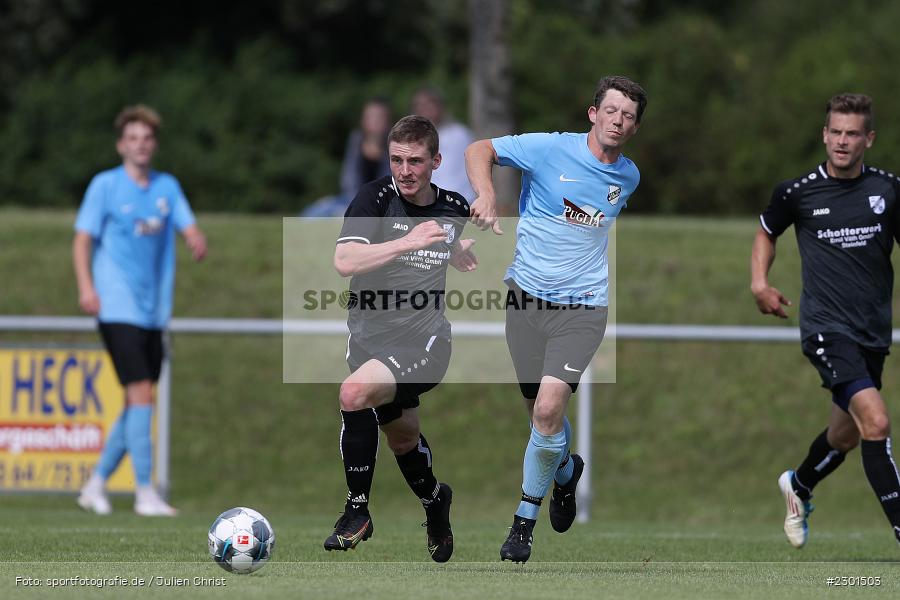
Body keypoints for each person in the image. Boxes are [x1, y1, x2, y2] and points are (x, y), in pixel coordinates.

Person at [465, 75, 647, 562]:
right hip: (524, 302)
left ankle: (522, 523)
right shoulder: (547, 149)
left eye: (628, 116)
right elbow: (479, 148)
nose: (618, 120)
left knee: (548, 412)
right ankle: (565, 473)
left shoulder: (627, 177)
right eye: (611, 110)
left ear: (633, 128)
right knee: (540, 419)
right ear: (593, 114)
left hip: (583, 308)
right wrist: (484, 195)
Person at [324, 115, 476, 562]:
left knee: (353, 394)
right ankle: (435, 501)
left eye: (415, 161)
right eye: (396, 160)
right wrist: (409, 242)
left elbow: (448, 235)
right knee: (403, 440)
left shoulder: (453, 206)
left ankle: (357, 512)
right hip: (369, 341)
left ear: (436, 161)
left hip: (424, 345)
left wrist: (457, 248)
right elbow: (345, 260)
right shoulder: (373, 199)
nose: (404, 170)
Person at [751, 93, 900, 549]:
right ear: (824, 134)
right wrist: (760, 283)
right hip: (825, 329)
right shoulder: (797, 193)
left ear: (868, 139)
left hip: (872, 332)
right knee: (876, 422)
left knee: (846, 435)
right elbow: (766, 231)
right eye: (835, 132)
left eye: (852, 134)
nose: (842, 141)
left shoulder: (888, 190)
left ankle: (798, 486)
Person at [73, 104, 207, 517]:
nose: (141, 145)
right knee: (141, 393)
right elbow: (82, 240)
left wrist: (194, 237)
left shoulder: (166, 187)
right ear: (121, 145)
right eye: (133, 138)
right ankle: (145, 491)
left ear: (155, 145)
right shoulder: (105, 186)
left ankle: (95, 485)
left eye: (147, 138)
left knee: (138, 401)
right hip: (115, 304)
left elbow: (188, 225)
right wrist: (87, 287)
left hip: (153, 310)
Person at [301, 98, 393, 217]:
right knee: (316, 211)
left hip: (381, 204)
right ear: (363, 120)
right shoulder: (355, 141)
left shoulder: (394, 147)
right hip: (351, 200)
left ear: (388, 121)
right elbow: (348, 180)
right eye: (370, 116)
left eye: (379, 117)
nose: (375, 121)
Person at [411, 86, 475, 202]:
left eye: (430, 104)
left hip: (462, 202)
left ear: (440, 106)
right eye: (421, 105)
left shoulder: (460, 134)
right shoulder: (410, 139)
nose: (426, 109)